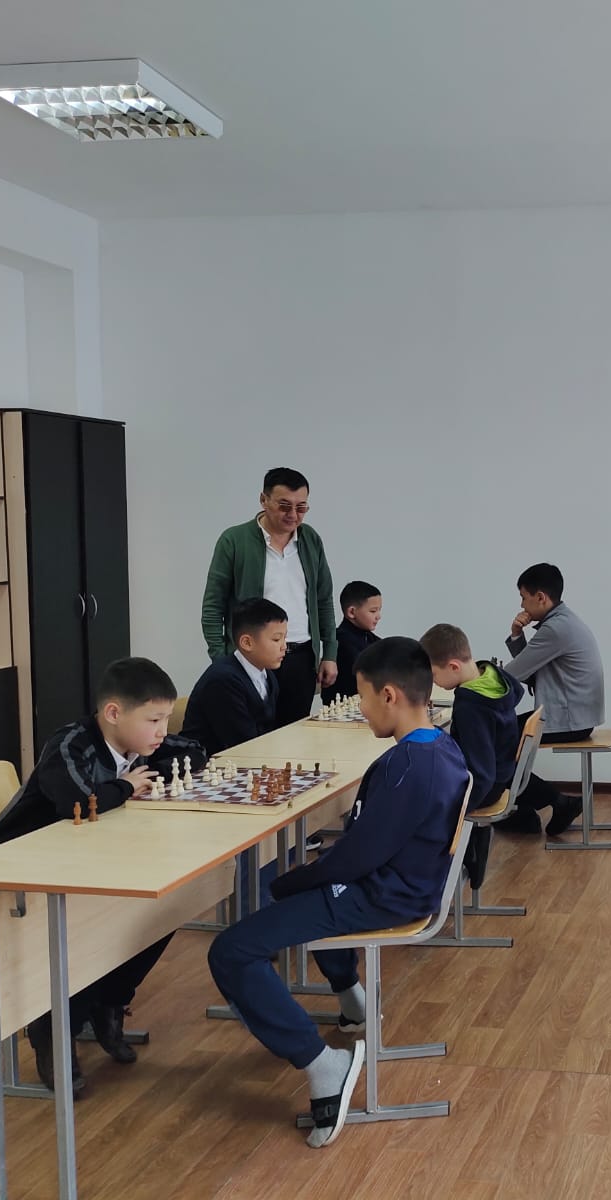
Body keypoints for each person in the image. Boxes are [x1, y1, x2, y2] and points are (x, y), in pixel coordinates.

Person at [206, 638, 469, 1149]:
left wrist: (293, 882)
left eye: (363, 696)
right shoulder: (440, 747)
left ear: (389, 695)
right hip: (406, 882)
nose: (361, 708)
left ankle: (322, 1063)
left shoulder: (406, 767)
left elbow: (355, 859)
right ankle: (352, 1000)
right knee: (294, 880)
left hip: (383, 894)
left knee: (231, 949)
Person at [0, 657, 207, 1094]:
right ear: (114, 713)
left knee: (163, 907)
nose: (163, 731)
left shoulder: (141, 743)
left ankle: (110, 1003)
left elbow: (195, 752)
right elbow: (76, 801)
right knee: (91, 931)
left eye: (166, 719)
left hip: (85, 858)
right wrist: (126, 786)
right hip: (19, 866)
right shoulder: (71, 744)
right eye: (154, 720)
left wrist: (145, 771)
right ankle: (53, 1030)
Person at [201, 467, 338, 726]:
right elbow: (212, 606)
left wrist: (329, 653)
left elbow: (324, 600)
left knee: (294, 733)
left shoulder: (310, 539)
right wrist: (221, 658)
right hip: (252, 658)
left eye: (301, 507)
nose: (293, 515)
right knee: (252, 735)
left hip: (300, 656)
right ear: (264, 500)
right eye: (284, 506)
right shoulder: (234, 540)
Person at [422, 622, 527, 890]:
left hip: (485, 786)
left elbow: (480, 773)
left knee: (423, 801)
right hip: (501, 774)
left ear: (453, 667)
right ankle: (474, 840)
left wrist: (462, 813)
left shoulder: (471, 707)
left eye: (433, 675)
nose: (433, 682)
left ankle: (468, 849)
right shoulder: (491, 679)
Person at [499, 563, 599, 835]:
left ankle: (541, 806)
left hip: (569, 720)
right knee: (498, 737)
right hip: (575, 715)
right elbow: (530, 670)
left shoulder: (555, 629)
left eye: (523, 597)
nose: (522, 605)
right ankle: (532, 808)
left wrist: (475, 679)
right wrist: (517, 635)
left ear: (540, 597)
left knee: (493, 744)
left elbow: (513, 674)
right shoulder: (562, 622)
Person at [180, 597, 287, 754]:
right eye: (276, 639)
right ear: (247, 643)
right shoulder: (223, 680)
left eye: (285, 638)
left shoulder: (268, 676)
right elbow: (242, 742)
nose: (284, 646)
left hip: (252, 757)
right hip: (209, 763)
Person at [321, 581, 382, 707]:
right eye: (373, 611)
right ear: (352, 612)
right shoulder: (341, 640)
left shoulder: (369, 637)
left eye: (379, 610)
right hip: (344, 707)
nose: (378, 616)